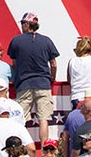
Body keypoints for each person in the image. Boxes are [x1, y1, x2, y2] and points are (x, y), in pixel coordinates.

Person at [8, 12, 60, 142]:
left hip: (24, 84)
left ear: (26, 24)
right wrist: (52, 78)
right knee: (44, 119)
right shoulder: (46, 40)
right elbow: (53, 64)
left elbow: (14, 64)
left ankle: (21, 149)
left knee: (19, 119)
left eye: (22, 23)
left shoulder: (16, 40)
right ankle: (44, 150)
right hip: (43, 83)